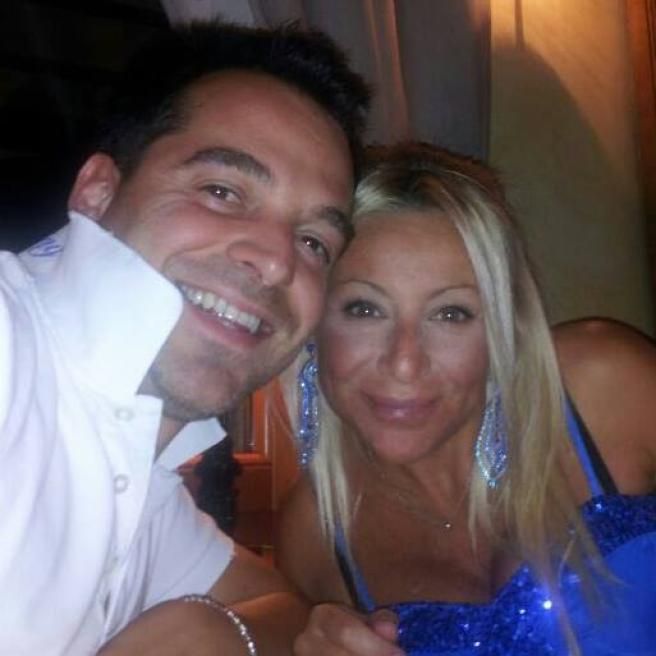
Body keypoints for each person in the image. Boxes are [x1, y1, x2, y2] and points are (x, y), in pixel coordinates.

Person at [0, 20, 370, 655]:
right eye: (222, 191)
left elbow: (282, 607)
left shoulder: (141, 474)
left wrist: (215, 630)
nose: (277, 262)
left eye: (314, 242)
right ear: (97, 192)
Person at [277, 142, 656, 655]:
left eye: (451, 314)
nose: (404, 362)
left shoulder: (605, 387)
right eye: (365, 309)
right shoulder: (313, 534)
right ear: (315, 322)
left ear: (504, 330)